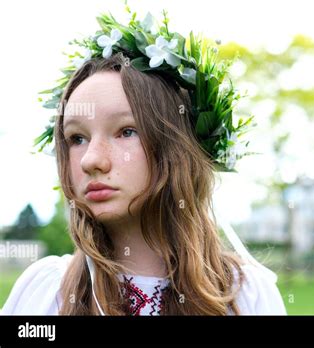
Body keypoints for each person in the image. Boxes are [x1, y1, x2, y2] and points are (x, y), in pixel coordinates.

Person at [1, 10, 286, 316]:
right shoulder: (46, 292)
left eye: (126, 131)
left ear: (176, 147)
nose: (91, 160)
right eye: (77, 138)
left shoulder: (245, 296)